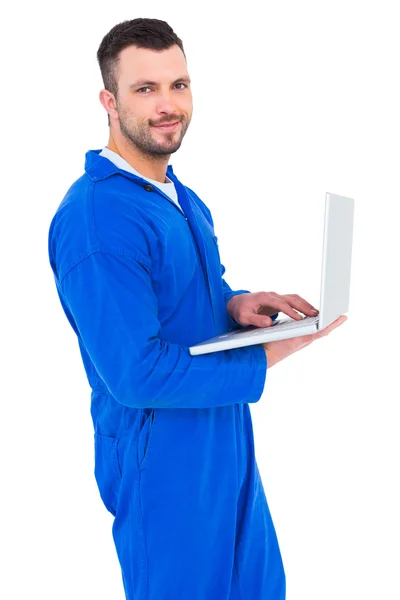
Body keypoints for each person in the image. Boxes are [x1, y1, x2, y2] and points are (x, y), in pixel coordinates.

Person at [48, 17, 346, 600]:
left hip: (224, 441)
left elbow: (181, 298)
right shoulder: (98, 221)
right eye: (145, 89)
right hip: (161, 463)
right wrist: (269, 356)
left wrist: (235, 305)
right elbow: (136, 374)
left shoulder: (177, 195)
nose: (167, 105)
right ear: (108, 101)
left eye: (178, 85)